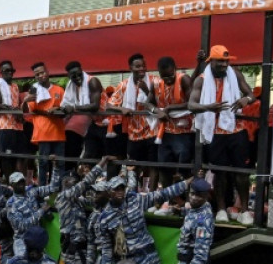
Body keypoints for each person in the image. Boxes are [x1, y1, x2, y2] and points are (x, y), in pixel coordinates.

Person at [188, 44, 255, 223]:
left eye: (226, 61)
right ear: (211, 61)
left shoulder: (236, 74)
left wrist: (244, 100)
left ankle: (244, 211)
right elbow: (191, 105)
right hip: (215, 132)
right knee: (219, 172)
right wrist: (208, 107)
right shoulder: (201, 80)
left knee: (241, 172)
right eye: (221, 62)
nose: (224, 65)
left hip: (236, 129)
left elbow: (251, 94)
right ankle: (221, 210)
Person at [54, 155, 110, 264]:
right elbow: (85, 184)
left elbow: (95, 200)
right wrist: (101, 164)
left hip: (81, 249)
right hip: (73, 249)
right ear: (64, 185)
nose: (73, 183)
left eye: (74, 181)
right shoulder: (64, 198)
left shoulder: (77, 201)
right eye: (70, 182)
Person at [108, 53, 161, 190]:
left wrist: (146, 90)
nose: (142, 68)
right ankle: (133, 193)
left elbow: (161, 103)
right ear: (130, 67)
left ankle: (152, 196)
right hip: (133, 133)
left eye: (144, 65)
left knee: (153, 165)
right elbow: (109, 105)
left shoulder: (155, 80)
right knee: (133, 166)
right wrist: (122, 109)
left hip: (152, 129)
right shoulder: (124, 85)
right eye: (138, 66)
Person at [153, 56, 195, 189]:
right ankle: (167, 200)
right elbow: (147, 103)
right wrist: (156, 110)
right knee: (164, 167)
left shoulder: (184, 79)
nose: (168, 80)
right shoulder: (155, 83)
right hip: (165, 132)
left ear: (175, 69)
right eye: (164, 77)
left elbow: (192, 103)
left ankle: (187, 201)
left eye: (170, 76)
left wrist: (170, 107)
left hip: (184, 132)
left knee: (184, 168)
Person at [25, 62, 65, 184]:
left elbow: (66, 109)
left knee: (60, 163)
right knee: (43, 163)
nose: (41, 75)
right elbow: (29, 110)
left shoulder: (59, 89)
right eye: (37, 74)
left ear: (48, 72)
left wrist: (56, 109)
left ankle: (59, 189)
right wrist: (25, 101)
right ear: (35, 77)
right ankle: (42, 190)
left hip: (58, 132)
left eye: (42, 72)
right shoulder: (34, 90)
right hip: (42, 133)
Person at [5, 169, 59, 258]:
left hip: (38, 237)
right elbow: (22, 226)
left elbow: (53, 188)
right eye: (17, 183)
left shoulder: (31, 191)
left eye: (22, 181)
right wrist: (41, 211)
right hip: (22, 239)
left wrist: (55, 168)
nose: (21, 184)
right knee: (23, 263)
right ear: (12, 185)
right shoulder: (11, 204)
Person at [61, 61, 104, 163]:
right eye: (73, 76)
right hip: (92, 122)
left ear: (82, 70)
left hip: (105, 122)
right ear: (69, 76)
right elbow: (66, 104)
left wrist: (74, 108)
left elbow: (95, 106)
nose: (77, 77)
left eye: (79, 74)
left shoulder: (92, 81)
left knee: (99, 156)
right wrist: (62, 109)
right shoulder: (71, 85)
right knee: (87, 155)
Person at [0, 60, 26, 179]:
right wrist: (13, 110)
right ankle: (9, 181)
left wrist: (20, 113)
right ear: (1, 72)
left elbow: (18, 104)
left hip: (18, 126)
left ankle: (18, 181)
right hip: (5, 126)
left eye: (11, 70)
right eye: (6, 70)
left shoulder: (16, 86)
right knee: (7, 155)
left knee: (19, 155)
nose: (9, 73)